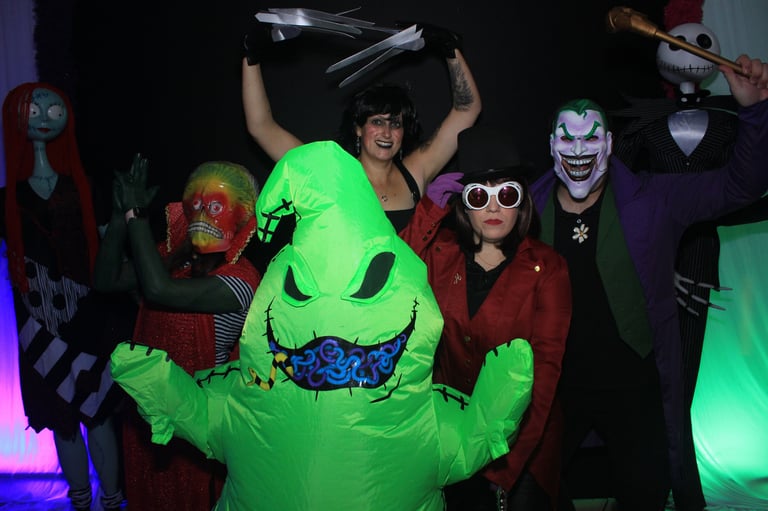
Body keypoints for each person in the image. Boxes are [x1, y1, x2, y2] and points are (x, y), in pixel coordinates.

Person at [527, 55, 768, 511]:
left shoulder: (655, 197)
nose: (579, 148)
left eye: (591, 137)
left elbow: (741, 185)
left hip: (634, 386)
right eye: (567, 137)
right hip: (557, 386)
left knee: (645, 494)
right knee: (533, 490)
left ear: (609, 144)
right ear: (551, 145)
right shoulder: (525, 210)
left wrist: (754, 111)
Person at [402, 125, 572, 510]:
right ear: (463, 205)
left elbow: (544, 378)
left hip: (522, 446)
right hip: (453, 434)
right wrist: (428, 209)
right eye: (479, 195)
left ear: (521, 203)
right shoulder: (440, 255)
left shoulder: (548, 269)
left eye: (506, 195)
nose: (493, 208)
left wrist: (503, 470)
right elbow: (388, 271)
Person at [93, 155, 262, 510]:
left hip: (196, 424)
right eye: (196, 204)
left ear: (243, 213)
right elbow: (107, 280)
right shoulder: (170, 260)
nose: (202, 214)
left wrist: (136, 216)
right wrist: (120, 215)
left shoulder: (241, 279)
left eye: (215, 206)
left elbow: (159, 291)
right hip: (150, 418)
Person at [1, 82, 127, 511]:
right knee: (61, 416)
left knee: (98, 409)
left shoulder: (84, 187)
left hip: (90, 312)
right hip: (37, 319)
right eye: (33, 110)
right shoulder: (8, 198)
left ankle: (111, 499)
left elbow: (110, 245)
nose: (42, 117)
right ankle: (81, 501)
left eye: (52, 109)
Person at [241, 21, 482, 233]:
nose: (386, 133)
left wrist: (450, 50)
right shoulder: (332, 174)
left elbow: (467, 111)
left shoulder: (415, 173)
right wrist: (251, 57)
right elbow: (262, 127)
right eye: (377, 122)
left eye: (395, 123)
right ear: (358, 128)